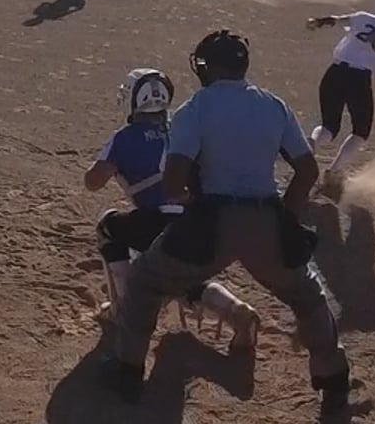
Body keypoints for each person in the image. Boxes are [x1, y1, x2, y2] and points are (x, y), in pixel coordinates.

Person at [101, 29, 352, 418]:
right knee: (308, 297)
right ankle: (333, 381)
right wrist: (285, 215)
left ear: (205, 67)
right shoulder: (274, 105)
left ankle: (128, 372)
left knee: (147, 281)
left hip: (212, 220)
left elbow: (174, 182)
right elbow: (307, 170)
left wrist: (194, 204)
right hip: (266, 218)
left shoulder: (194, 109)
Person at [85, 67, 259, 350]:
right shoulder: (184, 126)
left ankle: (123, 309)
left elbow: (93, 182)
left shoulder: (125, 137)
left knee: (108, 227)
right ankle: (234, 309)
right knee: (179, 274)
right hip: (205, 224)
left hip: (160, 223)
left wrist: (119, 160)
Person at [306, 0, 375, 196]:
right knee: (360, 132)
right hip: (359, 81)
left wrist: (318, 21)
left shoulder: (363, 18)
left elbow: (335, 20)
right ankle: (334, 172)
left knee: (328, 127)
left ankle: (312, 142)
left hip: (334, 73)